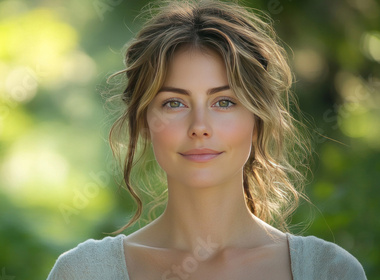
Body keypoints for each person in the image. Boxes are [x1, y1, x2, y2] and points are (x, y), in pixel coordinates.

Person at [47, 0, 367, 279]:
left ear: (257, 119)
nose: (199, 127)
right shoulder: (83, 272)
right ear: (144, 122)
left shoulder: (330, 271)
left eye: (224, 102)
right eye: (174, 103)